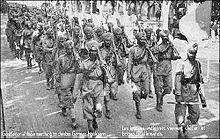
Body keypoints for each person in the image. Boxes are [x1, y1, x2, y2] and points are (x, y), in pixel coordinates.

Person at [174, 43, 205, 138]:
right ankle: (180, 131)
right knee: (180, 115)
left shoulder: (197, 64)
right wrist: (178, 93)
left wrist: (203, 98)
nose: (193, 55)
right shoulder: (181, 64)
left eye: (195, 53)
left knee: (195, 115)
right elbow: (177, 80)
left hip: (194, 93)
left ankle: (185, 127)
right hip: (183, 92)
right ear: (187, 53)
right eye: (191, 53)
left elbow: (199, 80)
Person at [75, 43, 105, 133]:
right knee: (88, 107)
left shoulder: (101, 62)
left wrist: (103, 68)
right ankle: (90, 125)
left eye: (95, 51)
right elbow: (79, 77)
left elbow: (105, 76)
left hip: (98, 86)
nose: (93, 53)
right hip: (87, 86)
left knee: (98, 106)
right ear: (89, 52)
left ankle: (94, 118)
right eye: (91, 51)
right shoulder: (84, 63)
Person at [54, 40, 79, 129]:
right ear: (65, 49)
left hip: (74, 80)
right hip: (65, 79)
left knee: (73, 98)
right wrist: (58, 81)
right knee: (70, 101)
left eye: (71, 49)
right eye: (68, 49)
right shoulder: (61, 58)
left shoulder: (76, 57)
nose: (70, 50)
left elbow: (80, 68)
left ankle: (64, 105)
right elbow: (57, 71)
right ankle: (73, 120)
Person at [127, 32, 152, 119]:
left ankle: (140, 96)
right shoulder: (133, 49)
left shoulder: (147, 49)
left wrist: (149, 49)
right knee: (136, 92)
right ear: (137, 40)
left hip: (144, 71)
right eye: (141, 39)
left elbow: (154, 61)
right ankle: (138, 110)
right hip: (135, 71)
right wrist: (128, 74)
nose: (143, 40)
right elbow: (129, 62)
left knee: (146, 91)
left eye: (144, 39)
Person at [152, 30, 178, 112]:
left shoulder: (170, 47)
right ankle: (159, 103)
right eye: (164, 38)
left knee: (169, 89)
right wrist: (155, 71)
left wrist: (173, 47)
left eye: (167, 37)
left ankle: (161, 97)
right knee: (158, 89)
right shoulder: (158, 47)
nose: (166, 39)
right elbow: (155, 60)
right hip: (159, 70)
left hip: (168, 70)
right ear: (161, 38)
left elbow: (175, 57)